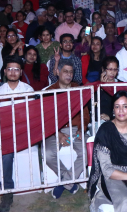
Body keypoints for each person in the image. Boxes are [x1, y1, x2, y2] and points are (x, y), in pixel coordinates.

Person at [0, 56, 35, 212]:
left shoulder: (28, 90)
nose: (12, 72)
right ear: (4, 71)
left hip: (24, 131)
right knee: (6, 151)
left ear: (21, 72)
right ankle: (7, 191)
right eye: (9, 69)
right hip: (6, 133)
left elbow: (32, 116)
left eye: (16, 69)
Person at [43, 60, 90, 199]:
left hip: (75, 129)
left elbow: (85, 114)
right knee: (48, 154)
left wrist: (81, 129)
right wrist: (58, 134)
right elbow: (46, 118)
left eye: (71, 72)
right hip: (54, 130)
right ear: (57, 72)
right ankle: (69, 182)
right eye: (65, 71)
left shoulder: (78, 89)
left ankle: (64, 182)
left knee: (88, 151)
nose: (69, 75)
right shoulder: (49, 92)